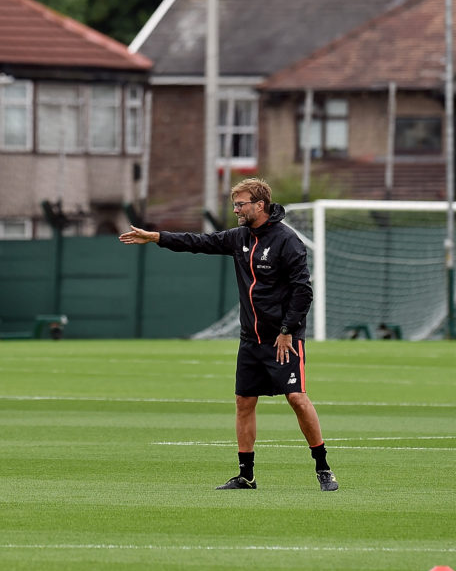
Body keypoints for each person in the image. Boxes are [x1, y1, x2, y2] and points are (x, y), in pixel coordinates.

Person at [119, 178, 338, 492]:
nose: (235, 209)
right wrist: (155, 237)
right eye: (234, 204)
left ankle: (323, 469)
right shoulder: (239, 238)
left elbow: (303, 291)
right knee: (243, 403)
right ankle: (246, 476)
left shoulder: (287, 241)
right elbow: (198, 242)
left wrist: (288, 331)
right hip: (250, 340)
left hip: (282, 339)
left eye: (241, 204)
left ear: (259, 205)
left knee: (298, 399)